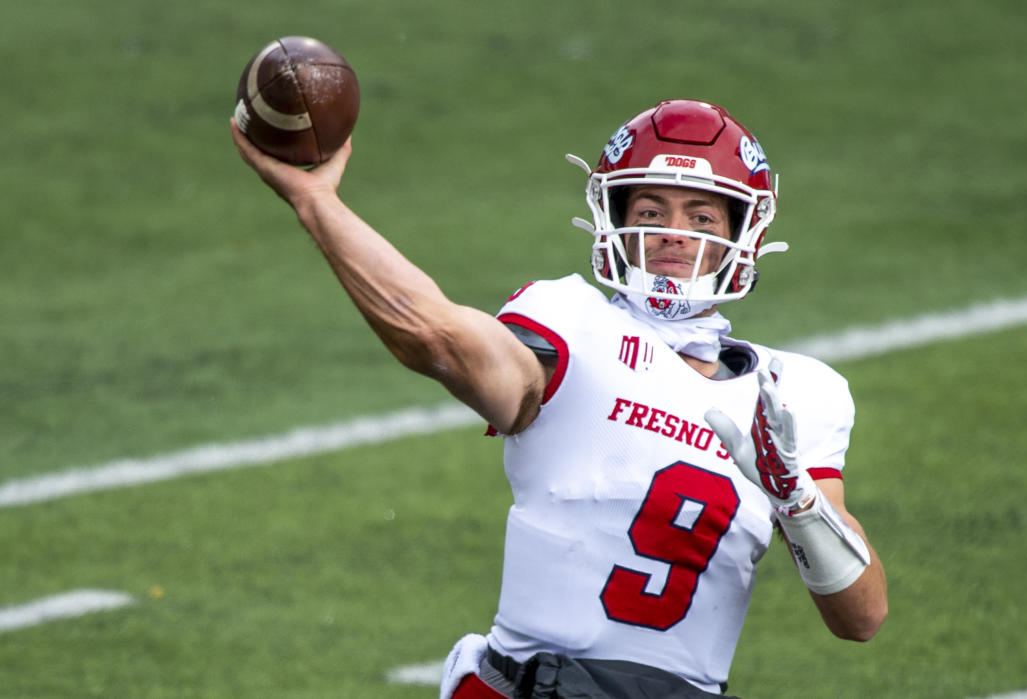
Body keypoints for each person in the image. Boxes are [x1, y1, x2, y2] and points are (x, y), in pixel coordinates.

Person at [231, 98, 887, 698]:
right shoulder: (571, 323)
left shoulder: (794, 392)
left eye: (702, 215)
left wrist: (796, 500)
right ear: (613, 218)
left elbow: (862, 616)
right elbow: (433, 335)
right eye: (650, 210)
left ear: (744, 230)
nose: (673, 233)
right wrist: (318, 205)